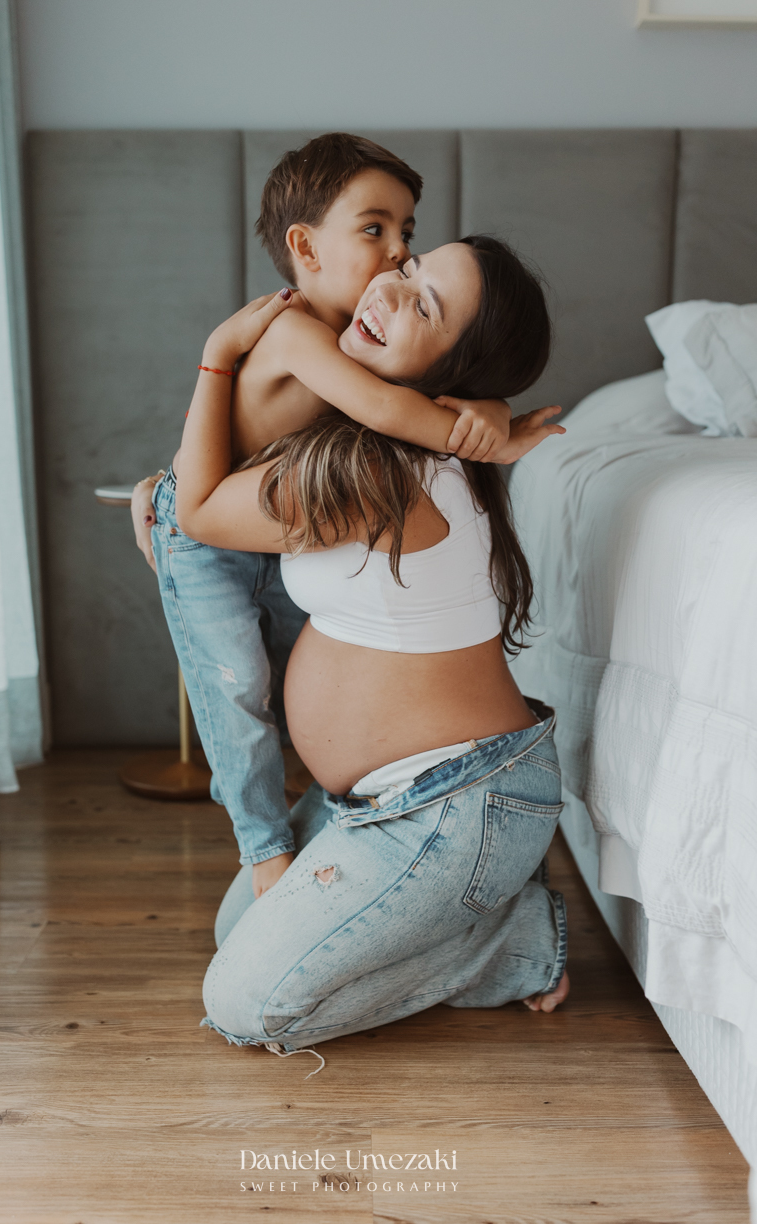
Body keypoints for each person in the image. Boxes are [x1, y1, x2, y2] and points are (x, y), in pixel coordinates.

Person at [171, 235, 569, 1070]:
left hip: (455, 809)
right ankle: (477, 911)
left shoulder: (377, 474)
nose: (389, 287)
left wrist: (214, 358)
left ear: (453, 372)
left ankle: (512, 943)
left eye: (425, 305)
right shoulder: (401, 443)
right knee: (233, 929)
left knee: (244, 1002)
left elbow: (200, 511)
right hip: (399, 801)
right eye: (409, 267)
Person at [132, 134, 513, 900]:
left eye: (407, 234)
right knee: (234, 686)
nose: (399, 253)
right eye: (375, 230)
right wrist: (482, 433)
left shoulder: (358, 340)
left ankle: (315, 805)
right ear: (304, 246)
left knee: (273, 664)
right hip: (206, 532)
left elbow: (419, 388)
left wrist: (490, 402)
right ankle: (261, 845)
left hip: (255, 527)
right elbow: (384, 408)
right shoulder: (295, 329)